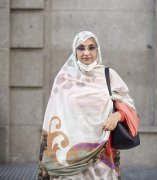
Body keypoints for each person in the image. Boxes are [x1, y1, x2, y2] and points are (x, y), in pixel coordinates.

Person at [38, 31, 139, 180]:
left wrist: (116, 116)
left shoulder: (108, 75)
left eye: (91, 47)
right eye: (81, 48)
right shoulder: (64, 79)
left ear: (97, 50)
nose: (86, 53)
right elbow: (53, 117)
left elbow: (129, 105)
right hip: (68, 156)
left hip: (102, 155)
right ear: (74, 51)